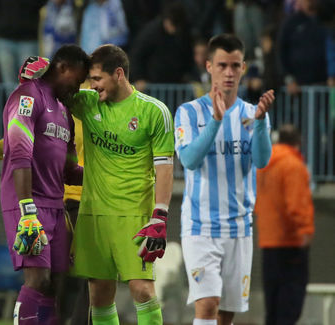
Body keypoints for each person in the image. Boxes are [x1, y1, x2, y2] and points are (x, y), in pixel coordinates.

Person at [68, 44, 174, 325]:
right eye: (90, 80)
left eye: (97, 79)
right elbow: (53, 88)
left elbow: (164, 167)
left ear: (118, 74)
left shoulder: (154, 111)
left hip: (134, 215)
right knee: (99, 293)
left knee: (142, 290)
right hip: (93, 214)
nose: (93, 85)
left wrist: (160, 215)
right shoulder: (87, 103)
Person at [174, 34, 274, 325]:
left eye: (235, 65)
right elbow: (190, 160)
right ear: (208, 66)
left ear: (244, 68)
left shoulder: (251, 114)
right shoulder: (189, 113)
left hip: (239, 228)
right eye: (222, 65)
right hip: (200, 226)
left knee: (226, 314)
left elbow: (262, 161)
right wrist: (216, 122)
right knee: (207, 304)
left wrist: (262, 124)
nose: (229, 72)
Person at [0, 44, 89, 324]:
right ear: (63, 67)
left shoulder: (65, 112)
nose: (79, 87)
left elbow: (70, 169)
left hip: (56, 205)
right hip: (27, 201)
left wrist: (108, 173)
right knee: (37, 279)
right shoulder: (28, 96)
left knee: (55, 282)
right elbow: (19, 151)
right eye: (78, 78)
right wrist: (27, 209)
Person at [254, 124, 314, 325]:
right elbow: (296, 204)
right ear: (298, 143)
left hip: (268, 243)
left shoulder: (264, 165)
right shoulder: (293, 165)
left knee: (273, 309)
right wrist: (305, 231)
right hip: (290, 243)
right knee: (290, 309)